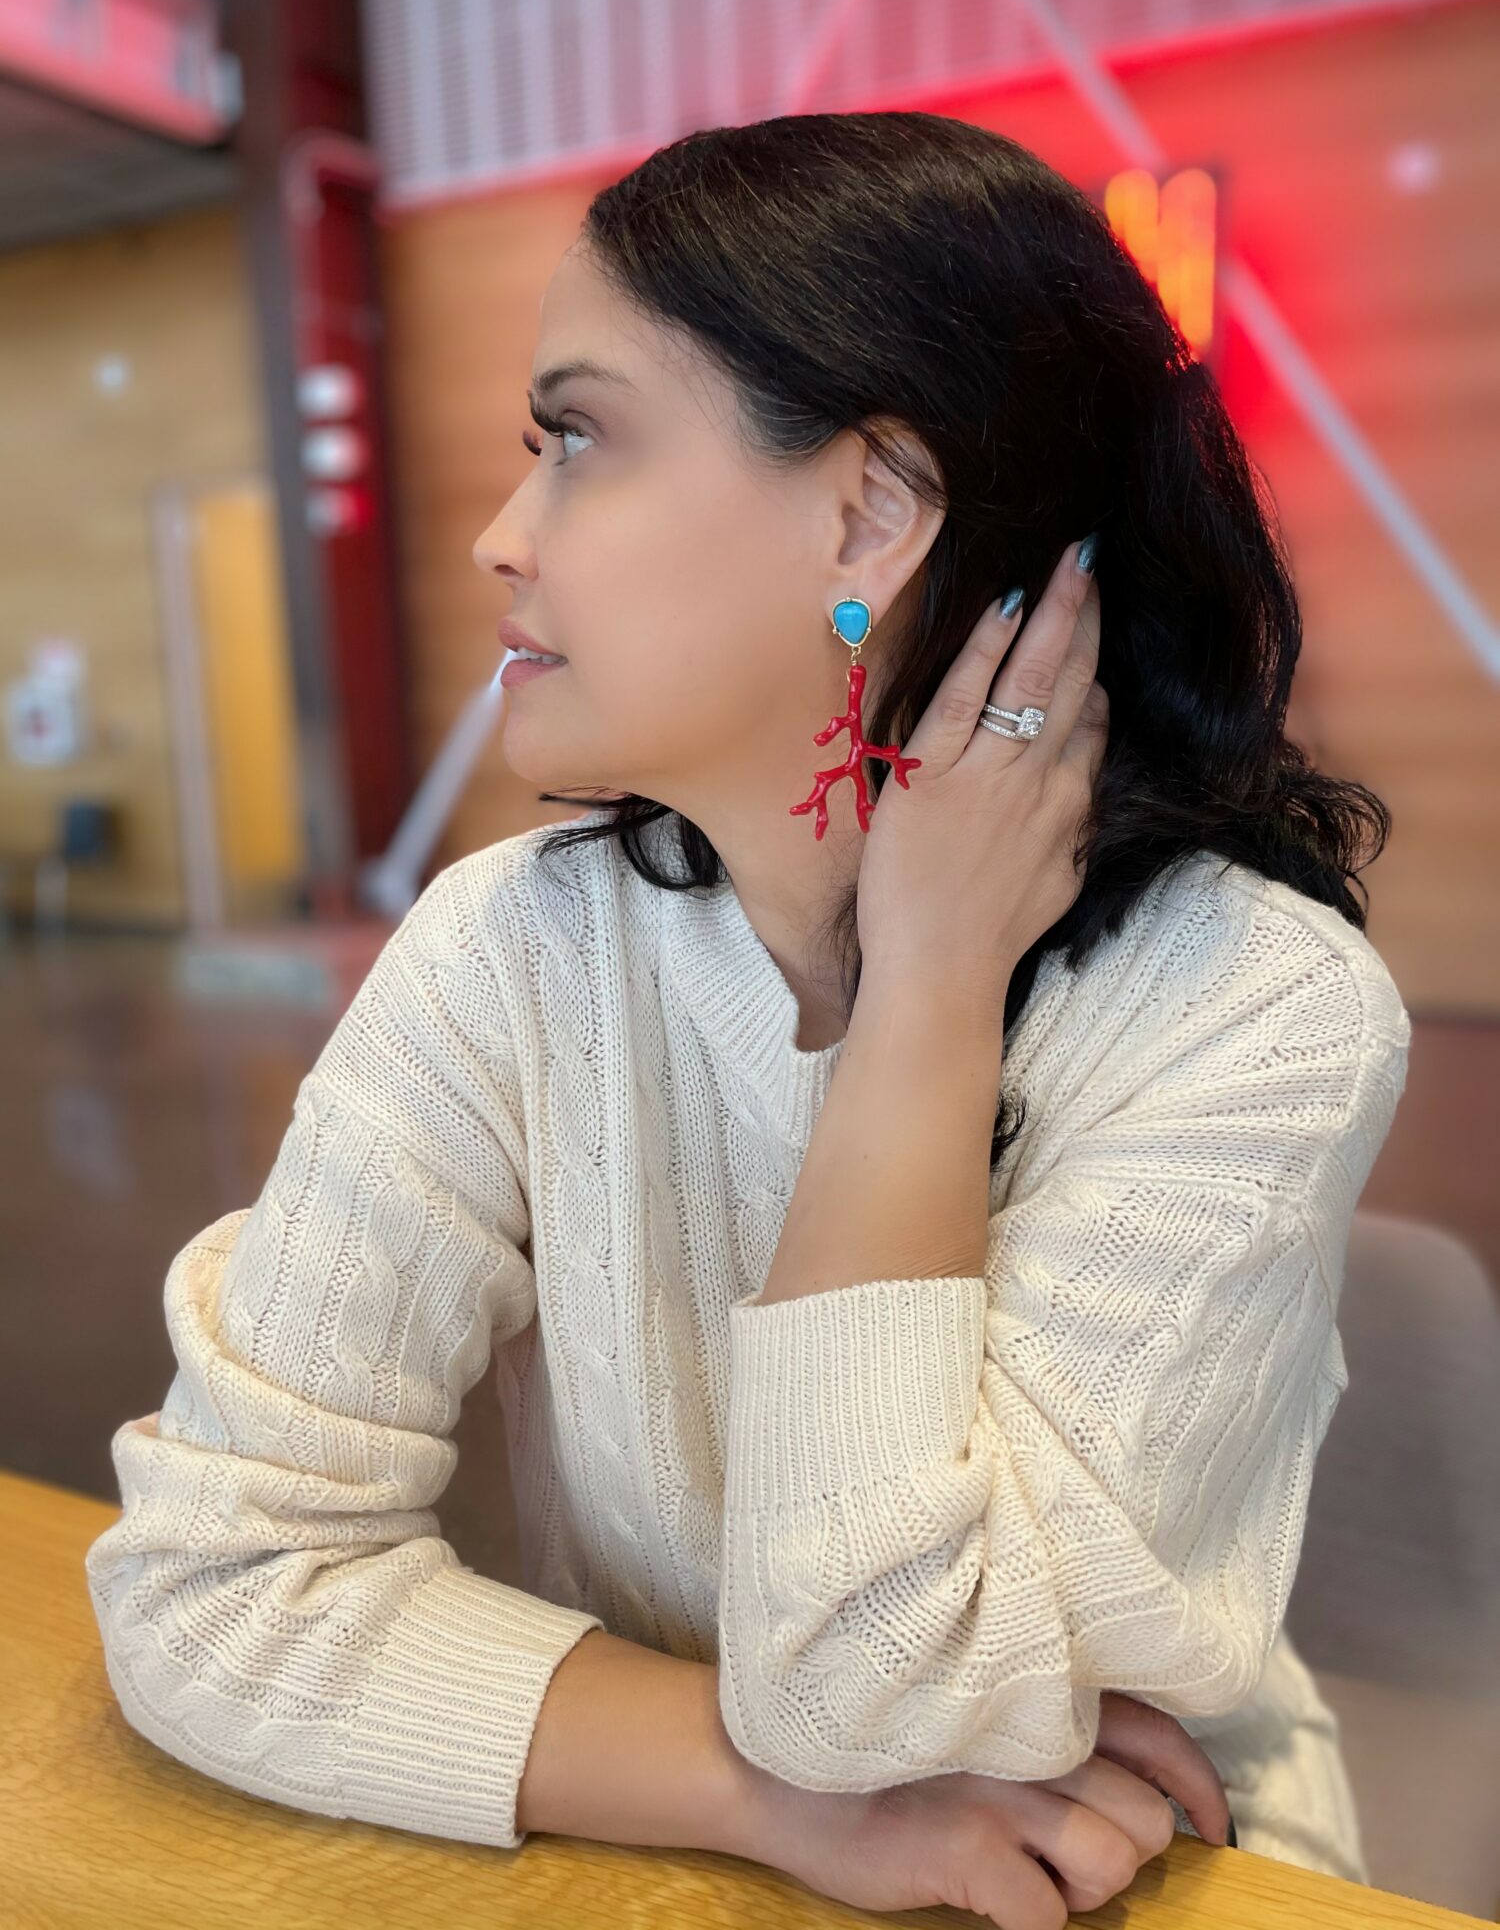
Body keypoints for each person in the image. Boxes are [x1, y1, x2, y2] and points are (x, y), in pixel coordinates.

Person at [86, 112, 1406, 1927]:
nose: (498, 539)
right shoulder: (509, 949)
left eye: (579, 440)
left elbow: (880, 1686)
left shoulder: (1253, 1009)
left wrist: (928, 996)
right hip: (685, 1864)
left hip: (1139, 1872)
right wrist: (764, 1794)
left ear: (870, 510)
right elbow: (213, 1580)